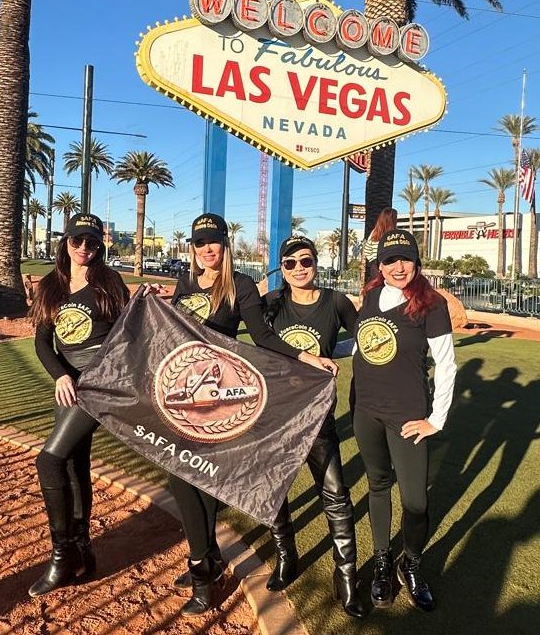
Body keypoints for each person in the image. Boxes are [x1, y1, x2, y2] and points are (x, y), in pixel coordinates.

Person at [168, 214, 336, 616]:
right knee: (179, 478)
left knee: (200, 480)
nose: (207, 249)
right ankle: (207, 558)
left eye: (214, 242)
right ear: (192, 247)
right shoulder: (186, 283)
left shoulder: (240, 285)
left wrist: (306, 355)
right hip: (180, 393)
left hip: (217, 397)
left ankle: (202, 572)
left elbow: (262, 337)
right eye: (200, 242)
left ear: (225, 245)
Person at [353, 229, 456, 612]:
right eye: (390, 260)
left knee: (415, 501)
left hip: (409, 417)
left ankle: (409, 562)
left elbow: (446, 364)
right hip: (367, 410)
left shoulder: (431, 304)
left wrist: (436, 419)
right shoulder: (370, 296)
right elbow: (365, 343)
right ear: (380, 265)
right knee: (378, 485)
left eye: (406, 258)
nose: (399, 267)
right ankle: (383, 561)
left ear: (417, 261)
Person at [262, 235, 365, 618]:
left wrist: (332, 354)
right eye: (290, 263)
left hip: (318, 415)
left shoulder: (335, 301)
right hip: (276, 415)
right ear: (282, 268)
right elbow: (256, 336)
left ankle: (347, 576)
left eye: (306, 261)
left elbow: (365, 339)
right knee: (274, 490)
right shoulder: (272, 303)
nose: (299, 269)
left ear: (316, 263)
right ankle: (286, 556)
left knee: (336, 494)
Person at [28, 213, 130, 597]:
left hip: (99, 381)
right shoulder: (51, 286)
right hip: (68, 384)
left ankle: (61, 557)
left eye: (92, 242)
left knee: (49, 459)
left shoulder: (109, 281)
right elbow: (42, 342)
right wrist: (60, 375)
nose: (85, 249)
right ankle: (83, 546)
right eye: (77, 241)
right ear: (65, 242)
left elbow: (127, 331)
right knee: (72, 463)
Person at [362, 207, 398, 283]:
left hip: (375, 265)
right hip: (387, 263)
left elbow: (367, 249)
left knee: (376, 286)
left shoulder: (375, 232)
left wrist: (373, 260)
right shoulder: (394, 234)